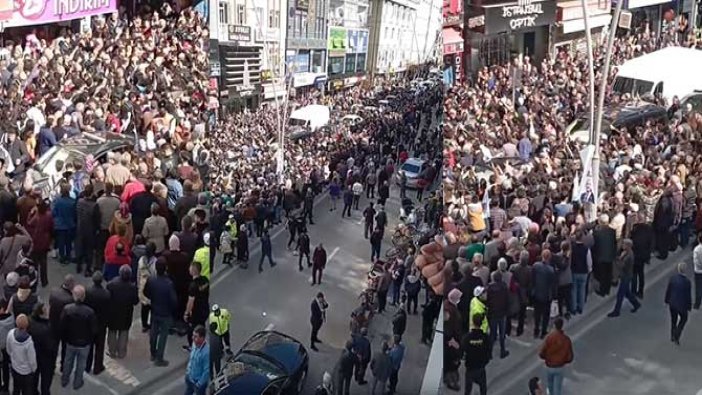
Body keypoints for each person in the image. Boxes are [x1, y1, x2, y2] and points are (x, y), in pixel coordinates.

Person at [60, 285, 98, 390]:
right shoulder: (90, 312)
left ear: (74, 296)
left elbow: (62, 325)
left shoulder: (67, 309)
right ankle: (77, 383)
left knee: (68, 362)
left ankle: (64, 380)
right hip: (84, 343)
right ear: (84, 296)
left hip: (70, 341)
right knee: (81, 364)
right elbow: (94, 329)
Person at [144, 258, 177, 367]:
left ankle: (152, 353)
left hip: (154, 310)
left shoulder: (151, 280)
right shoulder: (169, 283)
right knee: (163, 336)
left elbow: (146, 292)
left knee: (153, 333)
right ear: (165, 269)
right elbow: (173, 300)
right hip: (166, 313)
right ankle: (159, 358)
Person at [106, 265, 138, 359]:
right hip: (126, 314)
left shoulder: (111, 284)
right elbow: (136, 301)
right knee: (124, 333)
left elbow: (107, 298)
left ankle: (112, 352)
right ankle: (121, 353)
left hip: (113, 313)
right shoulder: (132, 287)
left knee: (112, 332)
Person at [539, 317, 574, 395]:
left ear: (554, 326)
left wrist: (546, 358)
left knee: (550, 387)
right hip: (560, 367)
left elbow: (541, 353)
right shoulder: (566, 339)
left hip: (549, 366)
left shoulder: (549, 338)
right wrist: (564, 361)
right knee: (557, 389)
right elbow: (570, 357)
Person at [607, 239, 642, 317]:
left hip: (626, 276)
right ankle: (636, 304)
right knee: (627, 293)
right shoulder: (626, 253)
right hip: (625, 276)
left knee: (620, 294)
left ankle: (617, 311)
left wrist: (617, 259)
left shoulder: (629, 255)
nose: (622, 245)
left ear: (628, 246)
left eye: (624, 244)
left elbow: (621, 265)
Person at [85, 272, 110, 375]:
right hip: (101, 323)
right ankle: (98, 367)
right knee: (99, 347)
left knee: (89, 346)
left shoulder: (88, 291)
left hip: (90, 323)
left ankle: (87, 366)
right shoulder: (106, 294)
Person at [28, 302, 56, 395]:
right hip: (45, 358)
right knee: (45, 380)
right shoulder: (46, 328)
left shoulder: (29, 321)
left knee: (34, 378)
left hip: (33, 356)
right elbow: (50, 346)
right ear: (41, 313)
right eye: (46, 309)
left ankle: (34, 392)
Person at [49, 275, 75, 371]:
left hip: (53, 325)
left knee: (53, 347)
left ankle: (51, 365)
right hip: (64, 328)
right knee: (65, 348)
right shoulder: (70, 299)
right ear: (71, 285)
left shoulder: (53, 292)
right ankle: (63, 366)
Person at [6, 314, 36, 395]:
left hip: (15, 368)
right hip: (26, 372)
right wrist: (34, 369)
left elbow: (8, 350)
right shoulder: (29, 342)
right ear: (27, 325)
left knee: (16, 388)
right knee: (27, 391)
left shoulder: (10, 334)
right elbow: (32, 360)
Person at [461, 313, 490, 395]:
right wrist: (485, 361)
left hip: (470, 367)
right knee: (483, 388)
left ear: (473, 322)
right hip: (481, 367)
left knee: (468, 390)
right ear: (481, 323)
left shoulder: (467, 338)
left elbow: (461, 350)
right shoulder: (485, 337)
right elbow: (488, 352)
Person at [184, 262, 210, 352]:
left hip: (196, 312)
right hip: (205, 309)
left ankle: (194, 347)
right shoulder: (205, 280)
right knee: (201, 327)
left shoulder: (193, 285)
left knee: (192, 330)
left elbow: (191, 302)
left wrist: (187, 313)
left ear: (193, 270)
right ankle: (202, 343)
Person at [665, 262, 692, 345]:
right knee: (684, 319)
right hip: (682, 304)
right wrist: (689, 306)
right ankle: (677, 334)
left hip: (672, 303)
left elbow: (668, 290)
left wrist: (666, 300)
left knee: (673, 319)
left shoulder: (673, 278)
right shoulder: (687, 282)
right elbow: (688, 295)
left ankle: (672, 335)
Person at [532, 251, 556, 339]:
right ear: (549, 257)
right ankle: (543, 332)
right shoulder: (550, 270)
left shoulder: (535, 266)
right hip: (546, 295)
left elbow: (533, 279)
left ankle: (536, 330)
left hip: (537, 293)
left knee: (537, 313)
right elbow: (552, 284)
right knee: (545, 315)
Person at [487, 271, 510, 358]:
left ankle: (489, 353)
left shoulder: (489, 287)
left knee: (492, 334)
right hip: (502, 313)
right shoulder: (504, 286)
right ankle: (502, 350)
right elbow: (507, 300)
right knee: (502, 333)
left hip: (493, 313)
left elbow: (487, 300)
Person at [184, 325, 209, 395]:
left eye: (195, 336)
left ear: (202, 338)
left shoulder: (206, 352)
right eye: (193, 335)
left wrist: (199, 384)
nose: (193, 338)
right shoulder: (194, 344)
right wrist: (188, 372)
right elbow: (191, 359)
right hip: (190, 378)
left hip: (198, 383)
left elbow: (206, 371)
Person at [0, 299, 13, 393]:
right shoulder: (13, 318)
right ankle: (6, 387)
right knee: (6, 369)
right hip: (9, 349)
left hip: (1, 349)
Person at [694, 235, 702, 309]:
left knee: (698, 287)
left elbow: (696, 261)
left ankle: (697, 304)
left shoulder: (697, 249)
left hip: (698, 271)